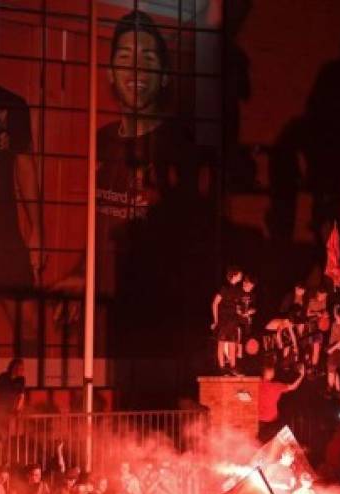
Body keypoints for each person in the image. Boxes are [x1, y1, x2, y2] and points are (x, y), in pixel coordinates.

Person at [96, 10, 206, 360]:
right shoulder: (99, 143)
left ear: (162, 77)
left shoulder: (177, 148)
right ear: (112, 73)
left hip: (155, 314)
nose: (136, 71)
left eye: (147, 59)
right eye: (125, 58)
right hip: (107, 308)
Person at [0, 84, 42, 291]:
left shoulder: (11, 105)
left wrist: (37, 230)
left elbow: (25, 167)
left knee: (29, 320)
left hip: (3, 231)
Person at [257, 364, 305, 443]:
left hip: (260, 421)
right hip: (272, 421)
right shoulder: (276, 387)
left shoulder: (258, 383)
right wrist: (301, 375)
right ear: (272, 374)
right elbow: (293, 387)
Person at [211, 266, 244, 375]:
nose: (241, 275)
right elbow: (215, 303)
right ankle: (221, 367)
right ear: (234, 275)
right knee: (221, 343)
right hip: (224, 320)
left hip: (233, 320)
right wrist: (216, 321)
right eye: (239, 274)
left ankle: (232, 366)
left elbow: (238, 307)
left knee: (232, 343)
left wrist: (243, 314)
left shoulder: (238, 290)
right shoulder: (224, 288)